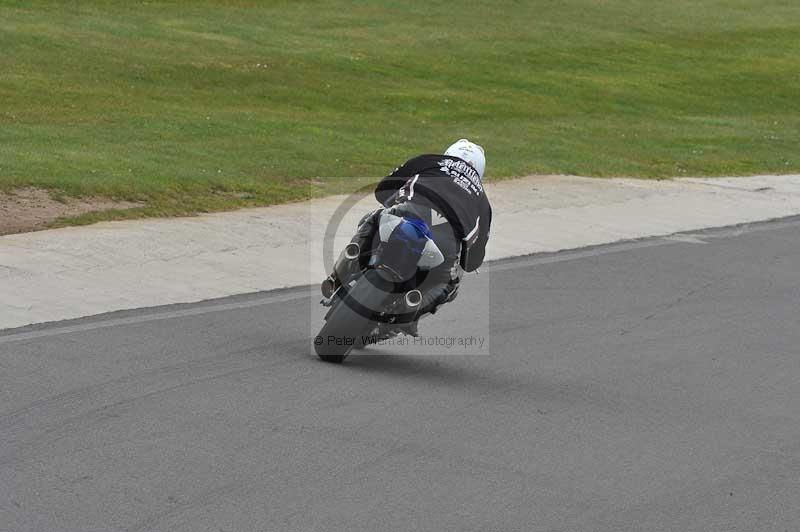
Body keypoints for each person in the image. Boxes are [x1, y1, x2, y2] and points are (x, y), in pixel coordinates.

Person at [349, 139, 492, 334]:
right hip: (446, 242)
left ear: (448, 152)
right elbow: (473, 261)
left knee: (372, 218)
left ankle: (348, 261)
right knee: (450, 285)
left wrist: (391, 202)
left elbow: (382, 189)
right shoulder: (482, 200)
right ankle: (408, 314)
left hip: (407, 212)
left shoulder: (430, 161)